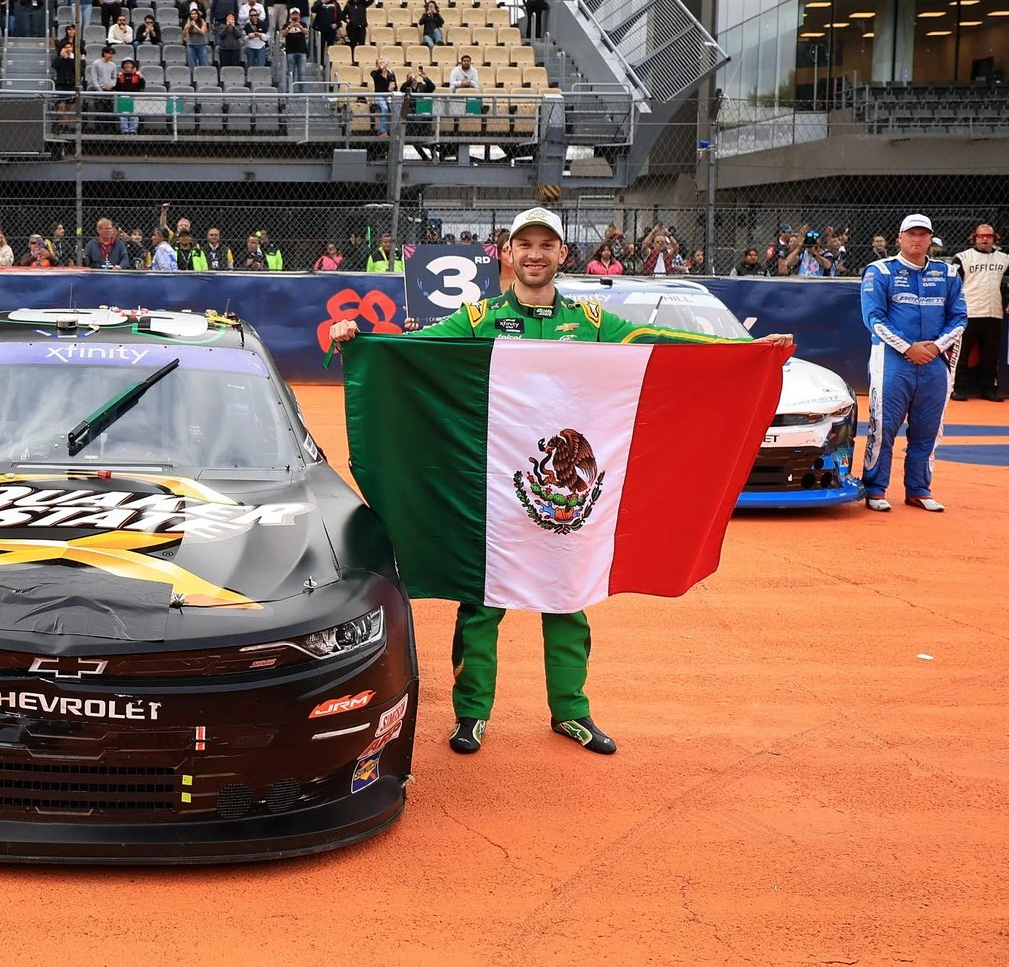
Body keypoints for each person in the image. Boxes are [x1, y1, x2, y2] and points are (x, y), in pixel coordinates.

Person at [330, 206, 794, 756]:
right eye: (524, 245)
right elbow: (412, 352)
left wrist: (742, 351)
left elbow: (659, 343)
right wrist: (358, 338)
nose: (534, 255)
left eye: (546, 245)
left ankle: (571, 711)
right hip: (496, 493)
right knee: (481, 604)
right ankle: (471, 714)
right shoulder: (477, 319)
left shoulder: (592, 322)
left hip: (570, 496)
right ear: (507, 253)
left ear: (562, 254)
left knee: (569, 599)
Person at [861, 214, 968, 512]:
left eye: (923, 234)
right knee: (883, 426)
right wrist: (908, 347)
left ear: (930, 239)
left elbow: (960, 317)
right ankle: (875, 489)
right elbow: (873, 317)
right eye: (911, 234)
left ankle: (919, 489)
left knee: (929, 429)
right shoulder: (879, 271)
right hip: (891, 361)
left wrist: (935, 347)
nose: (917, 239)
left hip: (934, 361)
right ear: (900, 238)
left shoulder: (948, 274)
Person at [951, 223, 1005, 401]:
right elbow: (953, 285)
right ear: (974, 238)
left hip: (994, 312)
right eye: (981, 236)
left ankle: (989, 389)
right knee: (961, 354)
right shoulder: (963, 257)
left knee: (991, 355)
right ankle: (957, 388)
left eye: (988, 236)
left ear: (995, 238)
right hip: (968, 312)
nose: (985, 239)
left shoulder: (1004, 259)